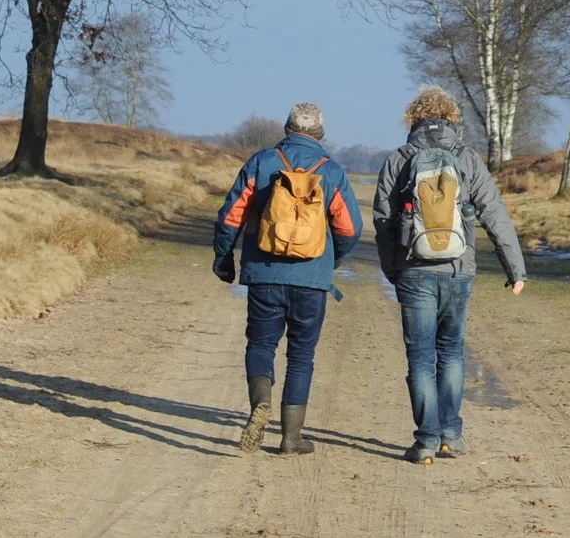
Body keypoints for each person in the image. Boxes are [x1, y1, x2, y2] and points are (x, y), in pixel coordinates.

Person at [373, 85, 527, 464]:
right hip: (460, 271)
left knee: (421, 358)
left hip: (414, 272)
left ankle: (425, 440)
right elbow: (494, 215)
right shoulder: (468, 159)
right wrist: (516, 269)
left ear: (413, 118)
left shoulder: (399, 159)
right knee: (452, 352)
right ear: (452, 118)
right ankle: (451, 437)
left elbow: (382, 222)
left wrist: (394, 269)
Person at [212, 102, 360, 455]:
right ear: (319, 133)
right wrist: (330, 259)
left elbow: (231, 215)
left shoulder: (261, 162)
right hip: (311, 279)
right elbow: (351, 228)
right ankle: (291, 438)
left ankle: (260, 402)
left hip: (264, 275)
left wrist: (223, 256)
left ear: (286, 127)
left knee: (261, 345)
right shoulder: (333, 171)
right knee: (301, 356)